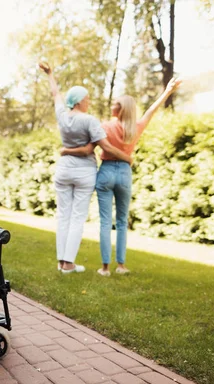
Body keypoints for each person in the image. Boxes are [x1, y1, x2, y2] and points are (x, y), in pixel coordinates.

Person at [62, 77, 182, 276]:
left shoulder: (104, 126)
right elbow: (152, 110)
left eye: (115, 104)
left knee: (105, 221)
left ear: (120, 109)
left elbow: (90, 145)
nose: (112, 105)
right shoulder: (135, 127)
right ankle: (121, 265)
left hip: (106, 172)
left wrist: (67, 150)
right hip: (125, 173)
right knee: (122, 221)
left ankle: (105, 267)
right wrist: (167, 91)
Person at [39, 62, 133, 274]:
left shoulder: (62, 116)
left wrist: (50, 74)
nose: (89, 101)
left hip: (63, 171)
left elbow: (55, 94)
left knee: (63, 215)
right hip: (83, 173)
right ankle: (68, 263)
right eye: (88, 98)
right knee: (77, 217)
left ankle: (61, 262)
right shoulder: (90, 121)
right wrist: (126, 157)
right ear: (80, 101)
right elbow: (105, 146)